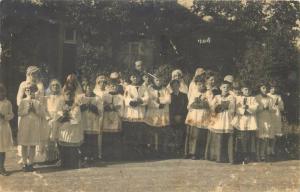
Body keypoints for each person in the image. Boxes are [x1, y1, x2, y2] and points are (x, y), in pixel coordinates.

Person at [205, 81, 236, 163]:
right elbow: (212, 106)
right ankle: (218, 157)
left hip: (227, 118)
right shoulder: (217, 97)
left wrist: (223, 106)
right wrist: (216, 107)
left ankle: (228, 158)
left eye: (227, 87)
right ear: (220, 88)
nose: (226, 89)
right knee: (219, 138)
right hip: (219, 118)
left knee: (227, 137)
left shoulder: (231, 97)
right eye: (224, 87)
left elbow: (232, 108)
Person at [18, 83, 45, 172]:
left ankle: (31, 163)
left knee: (33, 145)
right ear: (25, 91)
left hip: (34, 125)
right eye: (28, 90)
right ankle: (25, 163)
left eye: (32, 90)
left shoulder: (38, 102)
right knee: (24, 144)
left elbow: (42, 114)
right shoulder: (22, 101)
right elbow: (19, 113)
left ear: (35, 91)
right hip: (25, 125)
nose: (30, 92)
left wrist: (35, 111)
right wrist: (27, 110)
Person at [123, 73, 149, 159]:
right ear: (130, 78)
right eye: (133, 77)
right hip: (131, 112)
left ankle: (140, 153)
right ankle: (130, 154)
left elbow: (147, 98)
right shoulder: (128, 87)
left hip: (140, 112)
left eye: (137, 77)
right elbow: (126, 98)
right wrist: (133, 101)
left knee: (140, 134)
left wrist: (141, 100)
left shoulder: (143, 87)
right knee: (131, 133)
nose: (135, 78)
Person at [232, 83, 258, 164]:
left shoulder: (253, 98)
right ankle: (240, 155)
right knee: (240, 138)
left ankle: (247, 155)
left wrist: (248, 108)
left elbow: (255, 107)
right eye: (245, 89)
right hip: (241, 120)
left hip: (250, 120)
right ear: (242, 90)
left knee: (249, 138)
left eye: (249, 90)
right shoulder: (238, 98)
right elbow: (236, 107)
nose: (247, 91)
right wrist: (243, 111)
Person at [145, 74, 171, 156]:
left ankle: (161, 150)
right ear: (153, 80)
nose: (158, 82)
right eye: (156, 80)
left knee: (161, 132)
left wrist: (159, 100)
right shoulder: (150, 89)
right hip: (153, 112)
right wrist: (157, 105)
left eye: (160, 80)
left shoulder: (165, 89)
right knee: (152, 132)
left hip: (162, 113)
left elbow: (168, 100)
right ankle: (152, 150)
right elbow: (149, 100)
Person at [185, 76, 210, 160]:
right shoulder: (194, 92)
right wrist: (200, 104)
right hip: (194, 116)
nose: (201, 86)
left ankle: (201, 153)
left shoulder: (208, 93)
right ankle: (192, 152)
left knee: (202, 135)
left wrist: (202, 104)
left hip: (204, 116)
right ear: (196, 85)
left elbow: (210, 104)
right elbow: (190, 105)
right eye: (199, 84)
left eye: (202, 84)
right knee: (194, 134)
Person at [57, 89, 83, 169]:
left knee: (73, 149)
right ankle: (64, 163)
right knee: (64, 148)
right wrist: (65, 116)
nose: (69, 96)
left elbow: (76, 118)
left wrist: (67, 116)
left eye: (70, 94)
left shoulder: (76, 106)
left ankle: (73, 163)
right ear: (64, 96)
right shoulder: (61, 105)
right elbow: (58, 117)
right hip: (64, 129)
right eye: (67, 94)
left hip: (73, 130)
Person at [78, 82, 103, 163]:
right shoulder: (80, 97)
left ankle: (93, 157)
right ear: (84, 87)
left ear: (93, 87)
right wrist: (85, 106)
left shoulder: (97, 98)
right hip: (83, 121)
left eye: (90, 86)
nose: (89, 88)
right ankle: (83, 156)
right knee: (84, 139)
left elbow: (100, 111)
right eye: (87, 86)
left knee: (93, 139)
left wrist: (91, 106)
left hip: (93, 122)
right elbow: (77, 109)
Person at [102, 80, 124, 160]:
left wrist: (114, 108)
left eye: (115, 86)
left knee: (116, 137)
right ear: (108, 86)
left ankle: (116, 156)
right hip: (107, 116)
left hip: (116, 117)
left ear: (117, 87)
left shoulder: (120, 96)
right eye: (111, 86)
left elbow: (121, 107)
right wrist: (106, 107)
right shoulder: (105, 96)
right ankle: (106, 156)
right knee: (107, 137)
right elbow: (101, 106)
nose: (113, 87)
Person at [44, 79, 64, 163]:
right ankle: (49, 158)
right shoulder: (46, 97)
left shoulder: (62, 97)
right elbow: (44, 109)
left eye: (56, 85)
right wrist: (48, 117)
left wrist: (58, 116)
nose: (55, 87)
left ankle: (57, 157)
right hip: (48, 119)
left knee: (57, 137)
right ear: (50, 87)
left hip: (58, 118)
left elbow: (63, 109)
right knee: (48, 138)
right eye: (53, 85)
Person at [255, 83, 275, 162]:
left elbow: (273, 109)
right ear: (260, 89)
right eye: (263, 88)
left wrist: (269, 108)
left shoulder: (270, 98)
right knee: (259, 137)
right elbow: (255, 109)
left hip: (267, 118)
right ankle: (257, 155)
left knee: (265, 137)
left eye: (266, 88)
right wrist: (262, 108)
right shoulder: (256, 97)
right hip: (259, 119)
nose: (265, 90)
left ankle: (263, 154)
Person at [169, 79, 188, 156]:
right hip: (172, 118)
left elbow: (185, 107)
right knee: (174, 135)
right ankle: (174, 151)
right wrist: (174, 116)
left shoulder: (184, 96)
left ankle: (180, 151)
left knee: (181, 134)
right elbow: (169, 108)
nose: (175, 87)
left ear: (179, 86)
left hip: (182, 117)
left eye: (177, 85)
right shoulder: (169, 96)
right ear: (171, 87)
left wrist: (181, 116)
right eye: (173, 86)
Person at [268, 82, 284, 159]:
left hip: (276, 116)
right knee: (269, 132)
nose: (273, 90)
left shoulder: (278, 96)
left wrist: (278, 105)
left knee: (275, 133)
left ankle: (273, 149)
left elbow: (282, 107)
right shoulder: (267, 95)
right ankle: (268, 149)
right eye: (271, 88)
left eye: (274, 88)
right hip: (269, 116)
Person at [0, 84, 14, 176]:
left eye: (2, 92)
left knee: (2, 149)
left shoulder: (7, 103)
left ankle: (1, 168)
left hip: (3, 128)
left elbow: (11, 114)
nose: (1, 94)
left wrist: (4, 116)